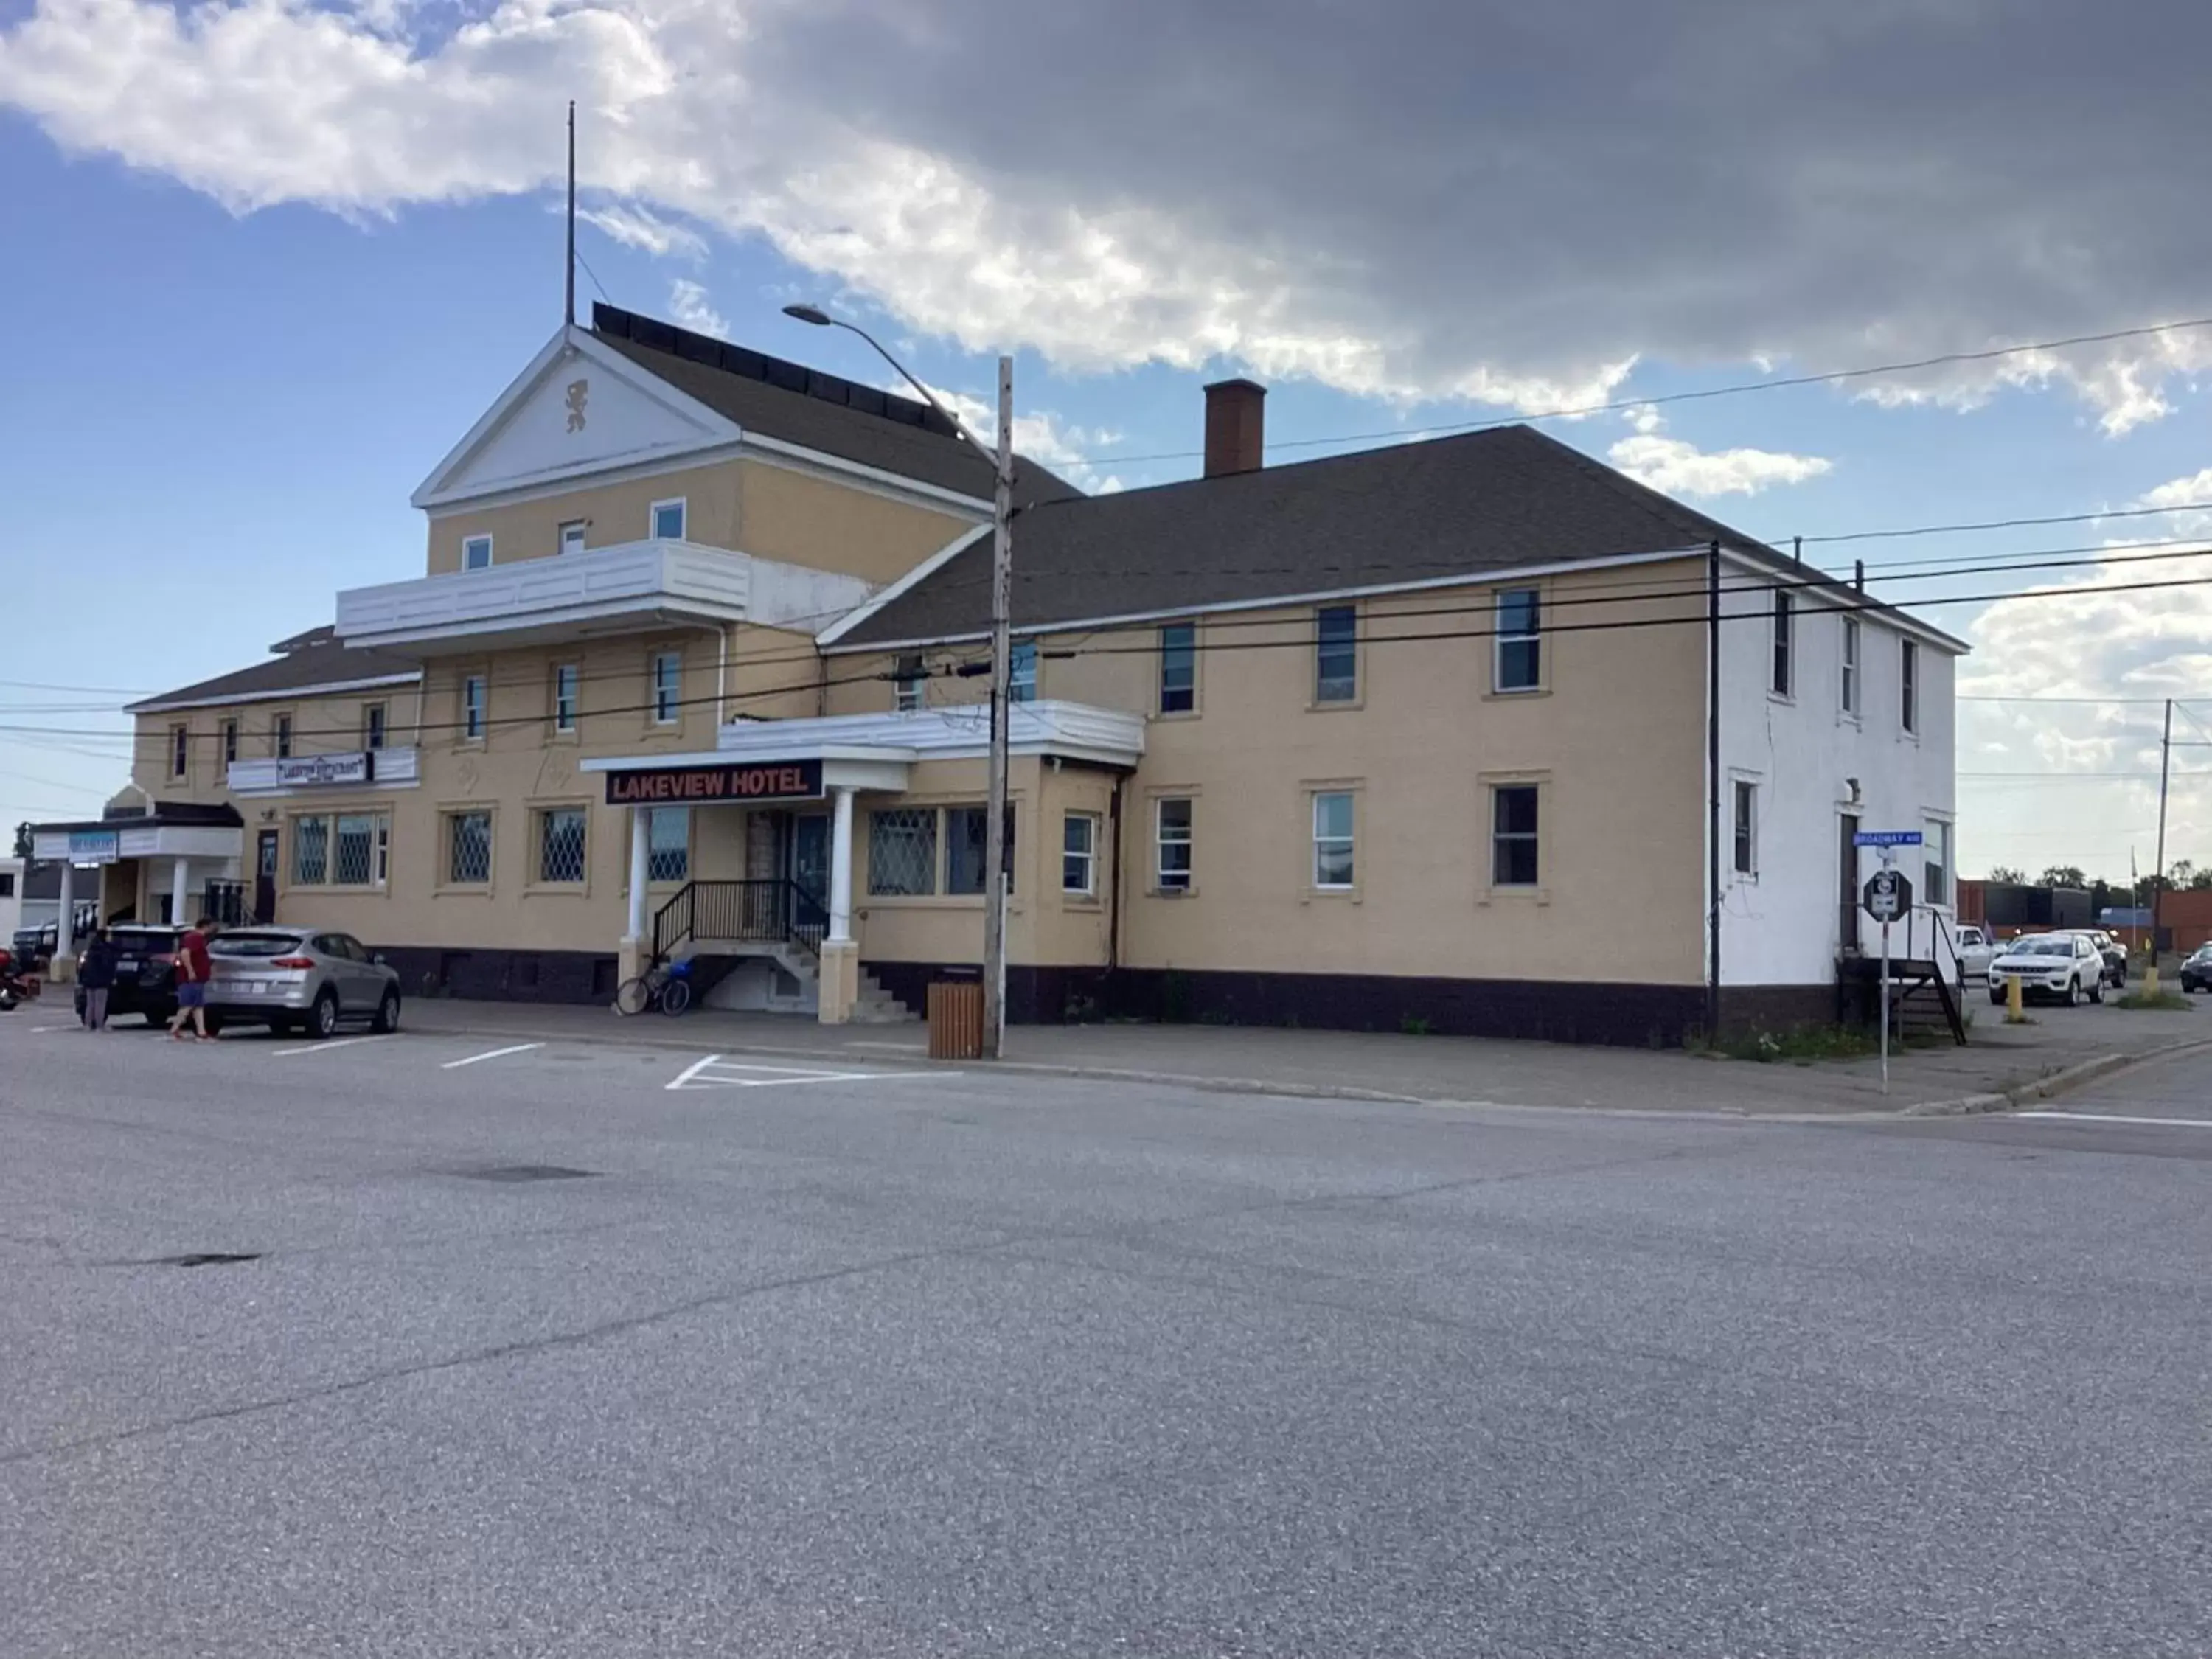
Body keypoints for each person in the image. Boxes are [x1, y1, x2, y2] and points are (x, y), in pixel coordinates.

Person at [167, 915, 217, 1042]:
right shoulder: (195, 938)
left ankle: (201, 1031)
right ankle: (175, 1027)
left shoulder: (198, 939)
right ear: (206, 926)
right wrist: (191, 971)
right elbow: (185, 953)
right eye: (211, 926)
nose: (213, 929)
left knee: (198, 1006)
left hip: (199, 978)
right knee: (188, 1004)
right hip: (191, 978)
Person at [77, 927, 117, 1032]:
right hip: (101, 981)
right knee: (100, 1003)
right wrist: (112, 977)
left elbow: (83, 967)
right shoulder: (105, 950)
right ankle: (100, 1025)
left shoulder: (90, 950)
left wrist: (82, 979)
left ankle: (88, 1024)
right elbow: (107, 966)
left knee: (90, 1004)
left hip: (89, 980)